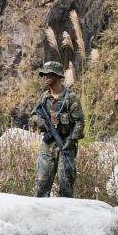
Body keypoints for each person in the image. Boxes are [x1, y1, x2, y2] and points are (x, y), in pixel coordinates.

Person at [30, 61, 84, 198]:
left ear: (57, 76)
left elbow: (79, 122)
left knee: (65, 184)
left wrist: (71, 141)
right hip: (48, 145)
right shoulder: (44, 97)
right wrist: (40, 121)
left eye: (48, 75)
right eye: (43, 75)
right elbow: (33, 116)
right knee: (41, 183)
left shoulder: (70, 98)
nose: (45, 77)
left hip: (65, 144)